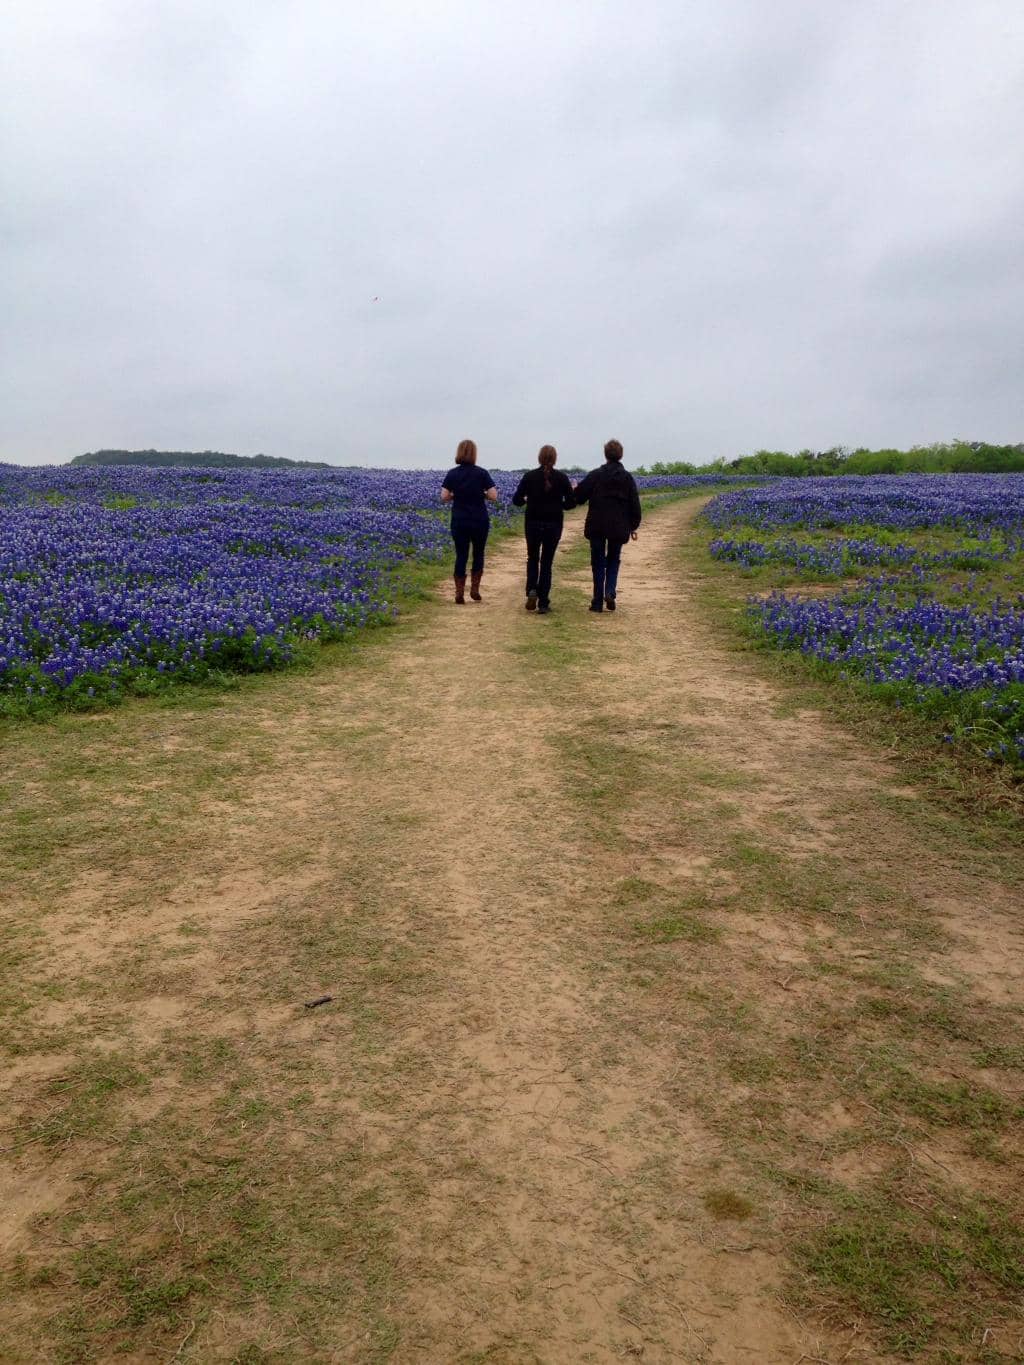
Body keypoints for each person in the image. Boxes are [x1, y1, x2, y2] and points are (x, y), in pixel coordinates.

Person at [572, 438, 641, 612]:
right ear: (620, 455)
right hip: (619, 526)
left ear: (606, 455)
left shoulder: (596, 475)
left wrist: (574, 489)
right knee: (613, 559)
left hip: (597, 525)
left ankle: (597, 602)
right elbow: (635, 505)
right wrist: (633, 526)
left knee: (597, 562)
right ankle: (610, 591)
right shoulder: (627, 478)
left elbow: (579, 497)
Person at [511, 445, 576, 614]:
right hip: (553, 525)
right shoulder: (561, 477)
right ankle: (543, 603)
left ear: (539, 458)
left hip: (532, 523)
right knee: (547, 562)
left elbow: (516, 500)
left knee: (532, 558)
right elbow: (571, 503)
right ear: (555, 459)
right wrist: (559, 504)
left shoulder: (529, 476)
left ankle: (532, 589)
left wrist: (528, 500)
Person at [440, 438, 497, 603]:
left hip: (460, 520)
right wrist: (481, 494)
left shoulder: (452, 473)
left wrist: (456, 494)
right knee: (478, 553)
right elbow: (493, 495)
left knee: (461, 554)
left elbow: (444, 497)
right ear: (474, 454)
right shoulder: (482, 473)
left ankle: (459, 593)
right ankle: (474, 590)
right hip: (479, 520)